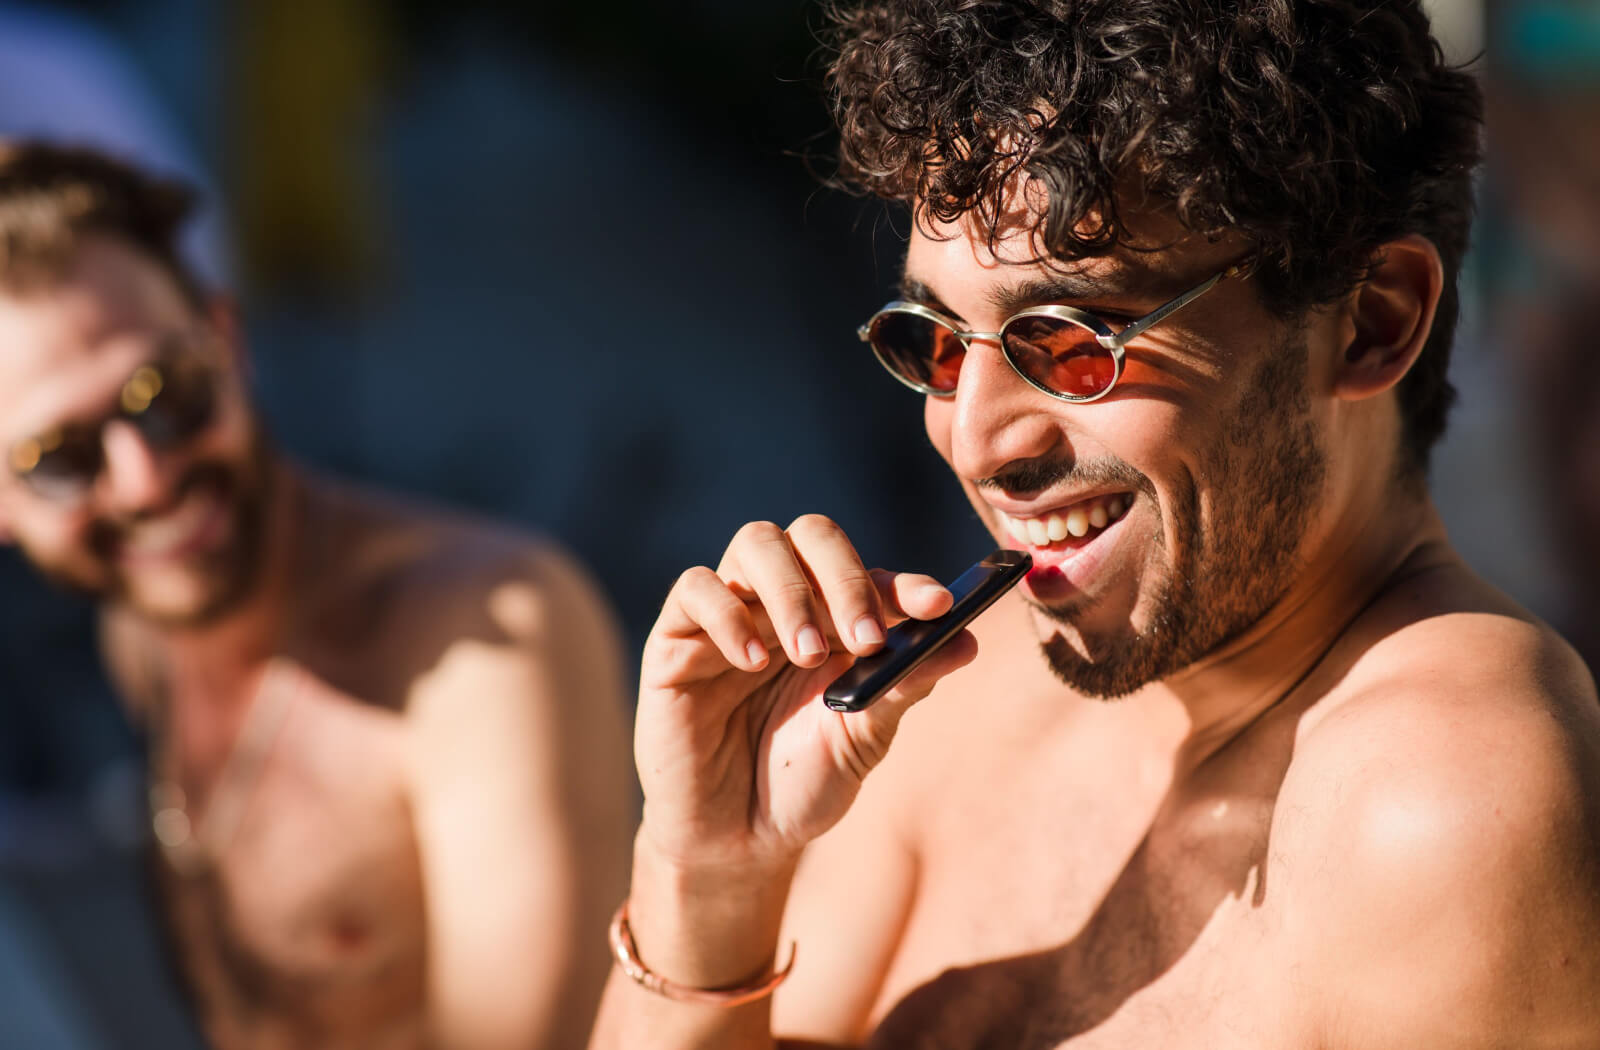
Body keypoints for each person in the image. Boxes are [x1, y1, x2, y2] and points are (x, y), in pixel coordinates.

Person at [589, 2, 1600, 1047]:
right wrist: (707, 879)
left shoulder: (1443, 800)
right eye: (936, 342)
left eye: (1074, 339)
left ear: (1372, 319)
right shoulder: (964, 702)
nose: (975, 441)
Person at [0, 141, 633, 1050]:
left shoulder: (485, 634)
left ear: (227, 341)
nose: (144, 479)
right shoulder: (139, 640)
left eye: (165, 393)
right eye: (59, 457)